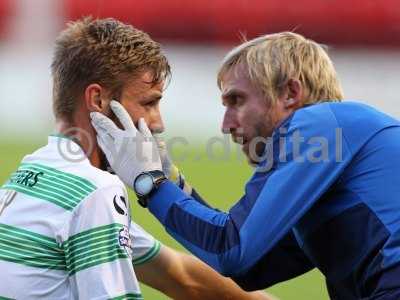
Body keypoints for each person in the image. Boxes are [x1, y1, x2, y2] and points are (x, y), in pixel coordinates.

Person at [91, 32, 400, 299]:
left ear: (290, 93)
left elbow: (232, 249)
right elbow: (252, 267)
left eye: (236, 101)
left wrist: (150, 181)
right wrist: (169, 179)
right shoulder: (333, 153)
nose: (226, 126)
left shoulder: (317, 125)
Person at [0, 17, 273, 300]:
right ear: (98, 101)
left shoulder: (35, 172)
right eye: (148, 103)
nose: (158, 123)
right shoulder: (94, 191)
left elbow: (179, 275)